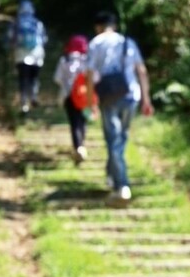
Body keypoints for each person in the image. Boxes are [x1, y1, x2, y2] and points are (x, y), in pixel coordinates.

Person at [85, 11, 154, 204]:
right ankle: (113, 175)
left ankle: (122, 185)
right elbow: (141, 70)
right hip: (131, 95)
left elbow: (89, 74)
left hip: (108, 97)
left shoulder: (96, 43)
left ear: (98, 27)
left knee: (113, 140)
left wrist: (91, 102)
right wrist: (146, 99)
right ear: (114, 26)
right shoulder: (127, 42)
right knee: (120, 138)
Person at [53, 34, 91, 164]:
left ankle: (78, 146)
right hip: (85, 96)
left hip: (69, 96)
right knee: (83, 121)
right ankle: (82, 144)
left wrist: (67, 84)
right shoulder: (88, 60)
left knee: (74, 122)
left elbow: (57, 78)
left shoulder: (65, 60)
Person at [8, 0, 48, 113]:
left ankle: (24, 103)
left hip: (21, 54)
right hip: (37, 53)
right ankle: (34, 96)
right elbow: (44, 39)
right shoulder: (37, 23)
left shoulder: (16, 23)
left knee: (23, 79)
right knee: (34, 77)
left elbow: (10, 39)